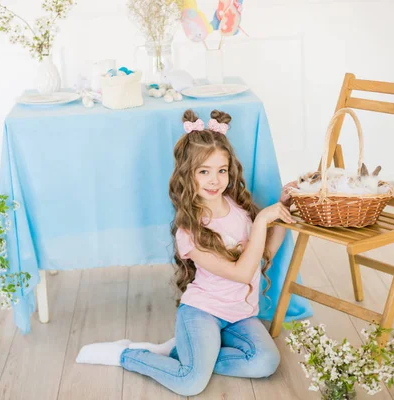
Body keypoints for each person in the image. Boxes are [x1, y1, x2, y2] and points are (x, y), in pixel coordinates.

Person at [76, 109, 295, 396]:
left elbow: (263, 254)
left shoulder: (238, 209)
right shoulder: (190, 230)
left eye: (221, 170)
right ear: (187, 174)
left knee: (266, 361)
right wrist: (264, 221)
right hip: (203, 311)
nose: (214, 180)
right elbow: (242, 273)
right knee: (190, 381)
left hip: (239, 315)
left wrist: (283, 208)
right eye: (204, 171)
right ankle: (127, 355)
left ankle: (187, 351)